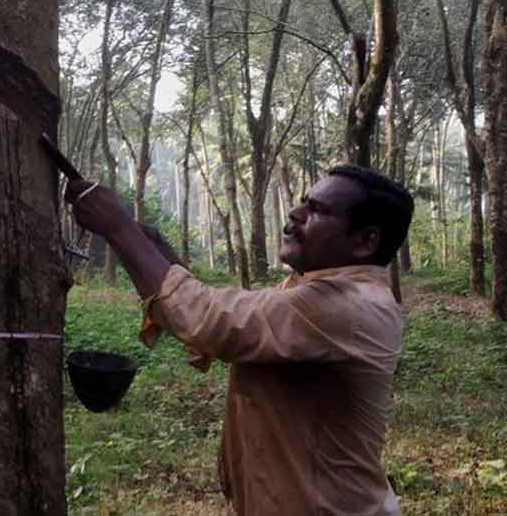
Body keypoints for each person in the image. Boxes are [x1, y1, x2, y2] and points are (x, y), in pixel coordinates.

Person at [65, 165, 414, 516]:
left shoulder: (347, 306)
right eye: (304, 202)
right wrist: (153, 251)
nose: (295, 213)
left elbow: (213, 321)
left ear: (365, 241)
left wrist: (119, 228)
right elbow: (235, 324)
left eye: (318, 210)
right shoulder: (313, 291)